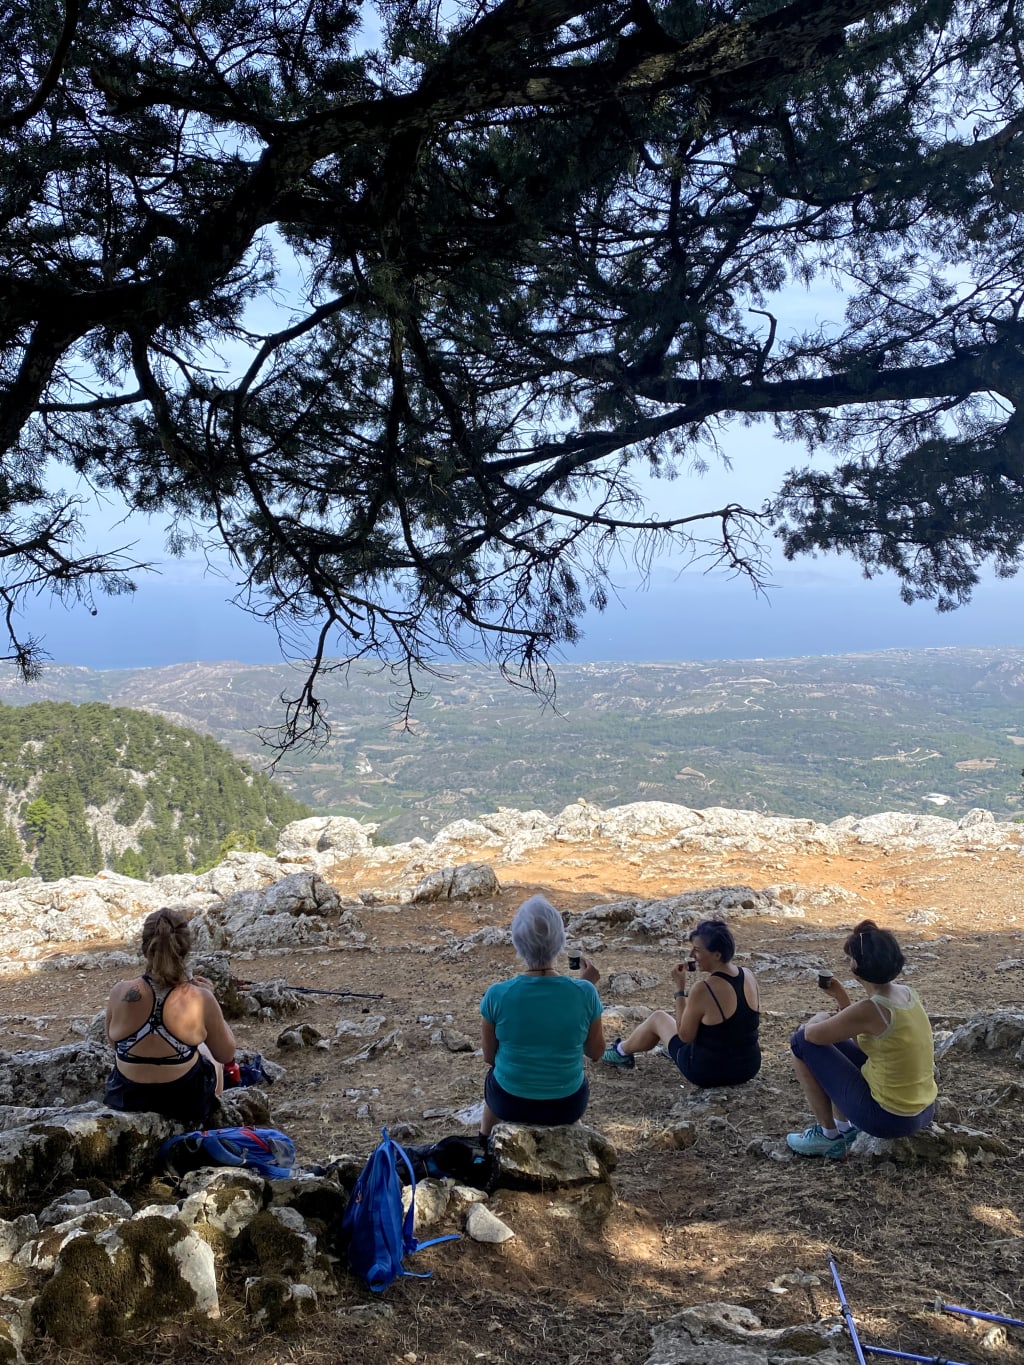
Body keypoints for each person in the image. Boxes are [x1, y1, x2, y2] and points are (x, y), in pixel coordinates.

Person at [786, 918, 937, 1158]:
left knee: (800, 1042)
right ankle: (846, 1128)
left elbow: (811, 1035)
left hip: (890, 1120)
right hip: (923, 1109)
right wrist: (841, 999)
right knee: (833, 1041)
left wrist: (818, 1017)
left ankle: (829, 1136)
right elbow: (866, 1039)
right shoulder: (907, 994)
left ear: (857, 966)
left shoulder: (871, 1009)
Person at [479, 894, 605, 1137]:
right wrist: (587, 989)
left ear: (517, 942)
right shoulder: (585, 992)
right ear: (560, 941)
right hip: (567, 1105)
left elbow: (489, 1057)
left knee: (495, 1077)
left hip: (510, 1102)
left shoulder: (497, 995)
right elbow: (596, 1052)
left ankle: (484, 1141)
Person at [104, 907, 237, 1123]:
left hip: (126, 1099)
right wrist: (212, 1003)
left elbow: (114, 1045)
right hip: (184, 1104)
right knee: (207, 1052)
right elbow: (226, 1054)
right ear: (185, 949)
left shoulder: (120, 991)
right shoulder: (201, 998)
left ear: (145, 948)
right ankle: (207, 1127)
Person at [601, 918, 761, 1087]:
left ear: (717, 955)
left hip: (709, 1072)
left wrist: (680, 989)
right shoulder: (748, 974)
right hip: (748, 1067)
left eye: (697, 950)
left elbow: (684, 1036)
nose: (692, 956)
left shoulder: (704, 989)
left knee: (658, 1018)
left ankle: (620, 1052)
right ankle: (646, 1050)